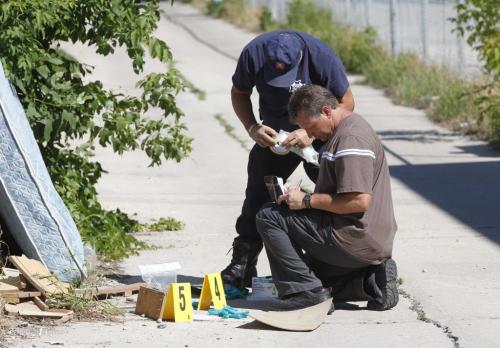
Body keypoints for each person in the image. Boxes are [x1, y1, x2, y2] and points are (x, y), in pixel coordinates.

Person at [222, 30, 355, 288]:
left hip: (317, 135)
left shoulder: (321, 56)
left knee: (335, 195)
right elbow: (239, 92)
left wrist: (310, 132)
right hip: (276, 138)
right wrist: (252, 127)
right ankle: (242, 265)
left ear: (300, 58)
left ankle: (342, 264)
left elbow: (347, 103)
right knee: (257, 196)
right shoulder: (254, 53)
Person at [255, 85, 398, 311]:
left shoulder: (351, 140)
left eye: (310, 126)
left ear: (326, 112)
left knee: (269, 216)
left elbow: (359, 201)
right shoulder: (346, 129)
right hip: (367, 239)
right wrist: (301, 196)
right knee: (317, 276)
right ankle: (371, 280)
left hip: (353, 237)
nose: (310, 133)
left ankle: (306, 293)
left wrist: (306, 201)